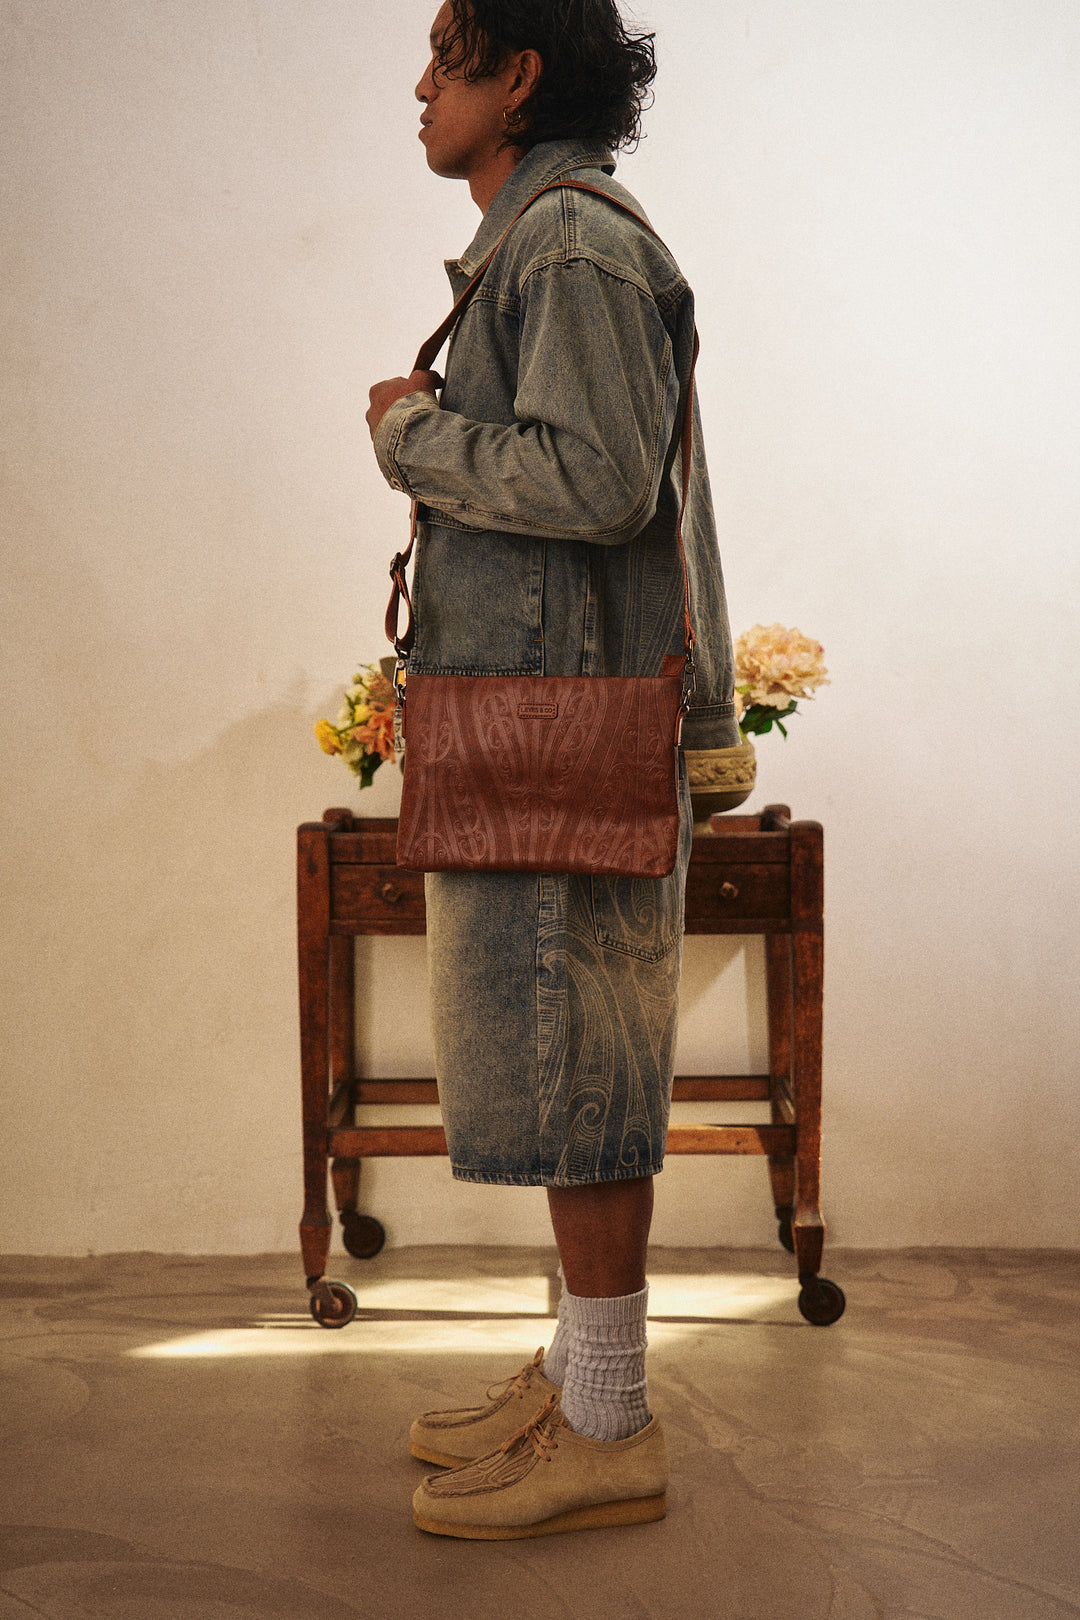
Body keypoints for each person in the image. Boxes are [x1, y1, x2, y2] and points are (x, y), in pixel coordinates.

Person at [366, 0, 739, 1540]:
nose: (419, 84)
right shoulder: (547, 239)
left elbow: (596, 478)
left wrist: (415, 437)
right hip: (550, 729)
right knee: (564, 1058)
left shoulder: (568, 244)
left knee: (580, 1068)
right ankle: (581, 1380)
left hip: (561, 740)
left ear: (518, 76)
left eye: (446, 52)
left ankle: (610, 1425)